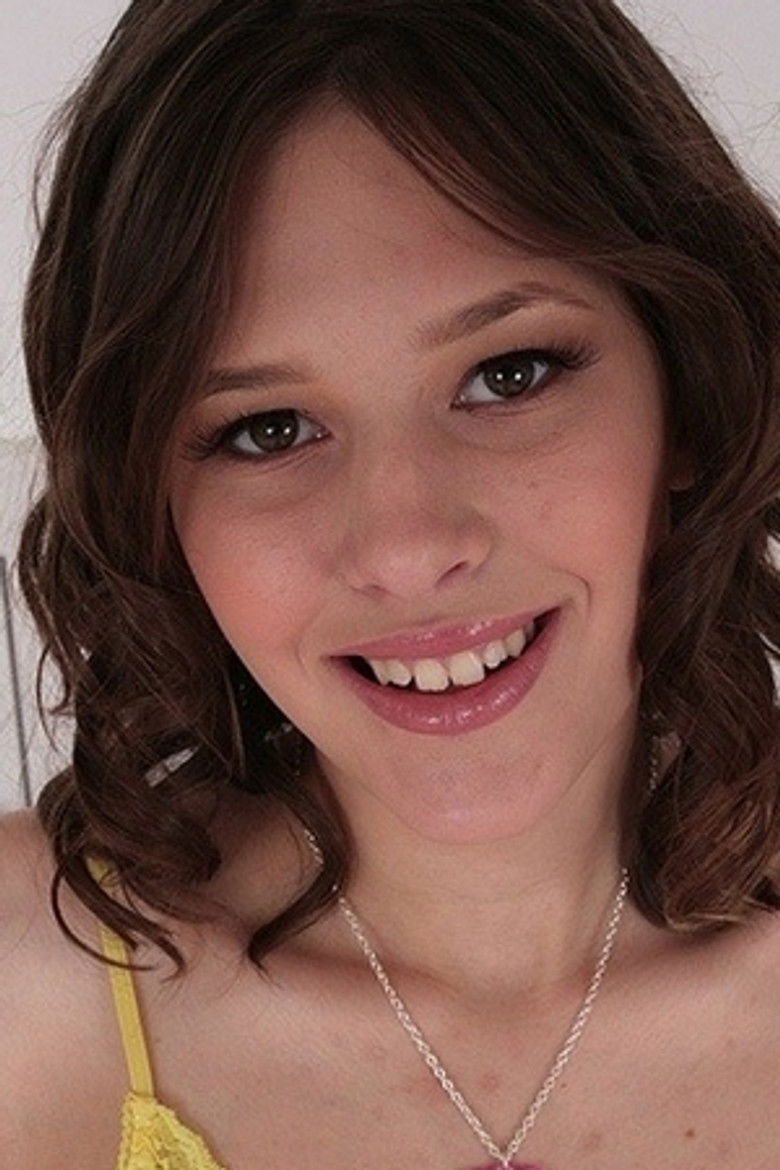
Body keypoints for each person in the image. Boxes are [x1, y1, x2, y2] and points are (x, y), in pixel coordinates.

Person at [2, 0, 779, 1167]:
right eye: (267, 430)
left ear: (691, 391)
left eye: (507, 374)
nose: (408, 549)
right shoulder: (23, 979)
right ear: (151, 504)